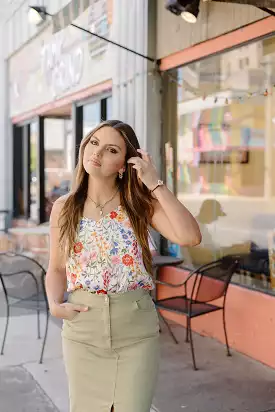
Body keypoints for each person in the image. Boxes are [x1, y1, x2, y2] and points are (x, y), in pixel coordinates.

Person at [46, 120, 201, 412]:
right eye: (94, 143)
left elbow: (190, 236)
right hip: (83, 331)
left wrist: (155, 182)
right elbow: (56, 268)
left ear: (124, 164)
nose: (97, 152)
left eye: (111, 149)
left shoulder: (139, 204)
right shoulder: (64, 207)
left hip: (135, 332)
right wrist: (54, 303)